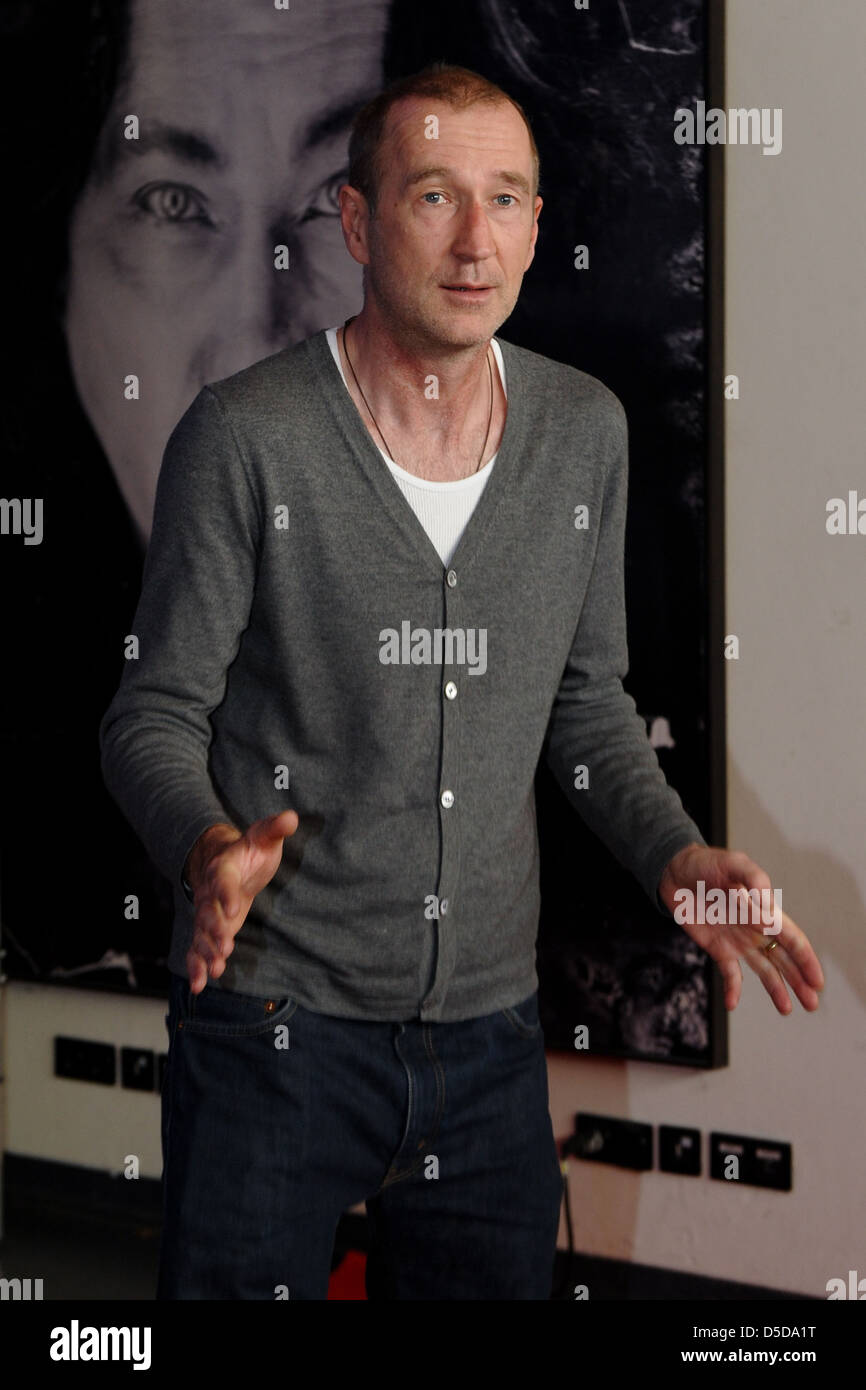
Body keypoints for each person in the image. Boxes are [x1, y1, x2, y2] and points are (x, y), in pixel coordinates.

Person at [99, 62, 824, 1301]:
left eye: (506, 199)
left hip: (489, 1043)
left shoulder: (582, 429)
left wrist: (673, 856)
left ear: (539, 226)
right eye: (434, 195)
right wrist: (206, 843)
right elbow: (151, 714)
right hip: (276, 1025)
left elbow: (585, 701)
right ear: (359, 219)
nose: (475, 239)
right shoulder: (245, 437)